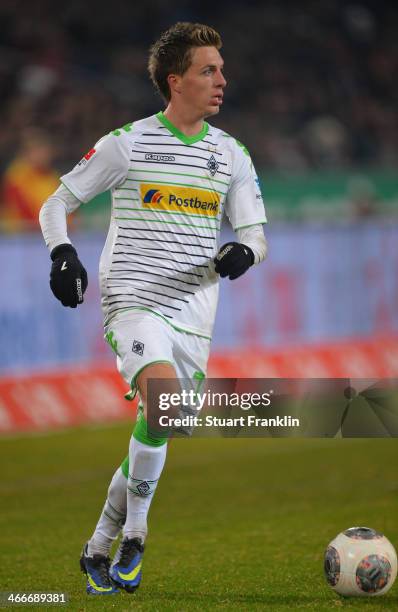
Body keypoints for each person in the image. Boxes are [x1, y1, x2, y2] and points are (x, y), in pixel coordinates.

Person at [39, 22, 267, 596]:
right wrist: (63, 254)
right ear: (176, 80)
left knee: (164, 421)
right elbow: (56, 203)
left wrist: (244, 251)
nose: (222, 80)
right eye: (208, 70)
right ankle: (136, 535)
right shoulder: (128, 143)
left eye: (221, 68)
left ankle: (98, 544)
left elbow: (256, 236)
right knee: (164, 404)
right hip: (133, 300)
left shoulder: (231, 154)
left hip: (195, 310)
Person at [2, 128, 59, 232]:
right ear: (27, 153)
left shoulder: (53, 177)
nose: (43, 155)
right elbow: (24, 211)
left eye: (45, 151)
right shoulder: (18, 175)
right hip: (21, 236)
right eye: (37, 150)